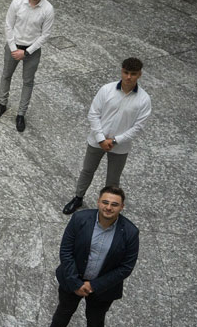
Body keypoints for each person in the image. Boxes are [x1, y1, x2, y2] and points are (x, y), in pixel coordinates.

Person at [34, 186, 139, 327]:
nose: (108, 207)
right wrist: (75, 282)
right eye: (105, 202)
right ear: (99, 202)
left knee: (96, 322)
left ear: (122, 207)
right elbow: (66, 251)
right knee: (63, 312)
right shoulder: (80, 219)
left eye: (114, 204)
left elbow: (126, 267)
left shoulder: (130, 233)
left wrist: (94, 286)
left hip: (103, 289)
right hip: (72, 280)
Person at [62, 58, 151, 215]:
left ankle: (106, 209)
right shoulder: (106, 90)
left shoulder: (144, 99)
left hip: (120, 146)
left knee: (113, 180)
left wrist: (116, 140)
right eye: (126, 72)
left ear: (140, 75)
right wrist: (101, 138)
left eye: (133, 74)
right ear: (121, 71)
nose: (129, 77)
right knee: (87, 170)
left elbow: (139, 127)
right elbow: (93, 113)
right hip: (97, 141)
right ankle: (78, 198)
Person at [0, 0, 54, 132]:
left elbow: (45, 35)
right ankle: (2, 104)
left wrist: (26, 52)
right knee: (6, 75)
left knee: (28, 81)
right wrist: (14, 49)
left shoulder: (48, 9)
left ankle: (21, 114)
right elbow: (8, 25)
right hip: (13, 46)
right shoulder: (17, 2)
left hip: (32, 50)